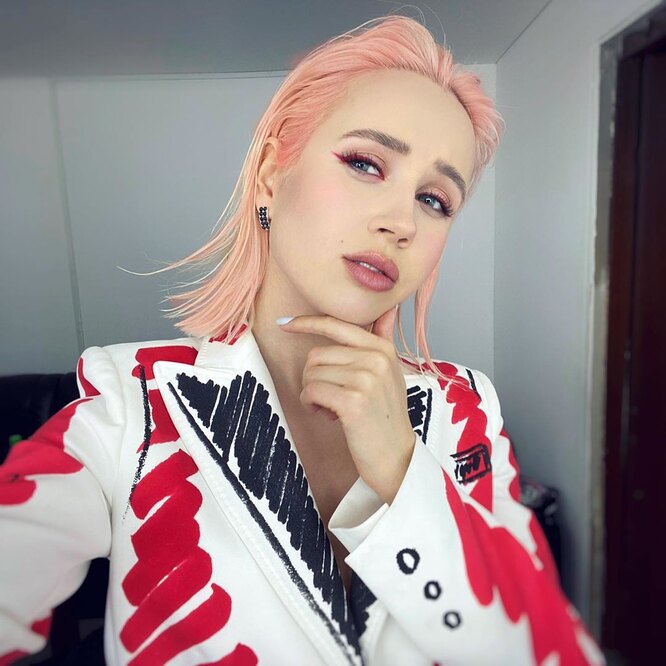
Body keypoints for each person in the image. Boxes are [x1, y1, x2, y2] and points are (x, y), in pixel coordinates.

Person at [0, 15, 604, 666]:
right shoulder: (131, 401)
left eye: (434, 199)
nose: (401, 222)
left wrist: (403, 471)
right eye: (366, 163)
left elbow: (549, 649)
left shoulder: (466, 406)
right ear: (270, 174)